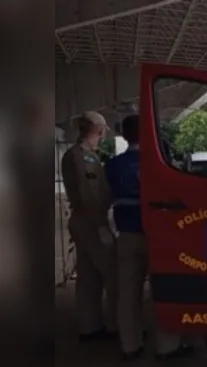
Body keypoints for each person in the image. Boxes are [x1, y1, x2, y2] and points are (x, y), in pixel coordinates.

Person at [105, 114, 193, 361]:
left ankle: (130, 346)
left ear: (124, 136)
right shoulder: (159, 162)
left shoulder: (113, 165)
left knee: (127, 293)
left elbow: (104, 198)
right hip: (158, 237)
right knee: (164, 290)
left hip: (127, 235)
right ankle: (167, 345)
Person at [61, 111, 118, 342]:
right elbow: (90, 195)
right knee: (113, 273)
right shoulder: (83, 157)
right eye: (104, 129)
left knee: (88, 277)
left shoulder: (79, 154)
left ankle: (89, 326)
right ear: (98, 129)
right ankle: (117, 326)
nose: (105, 133)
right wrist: (101, 227)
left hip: (82, 221)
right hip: (91, 221)